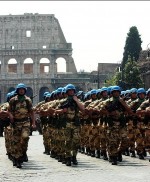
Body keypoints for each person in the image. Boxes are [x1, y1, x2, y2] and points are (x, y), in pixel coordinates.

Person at [55, 84, 85, 166]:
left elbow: (83, 109)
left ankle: (74, 156)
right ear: (67, 92)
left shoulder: (77, 101)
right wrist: (62, 111)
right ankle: (68, 157)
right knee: (67, 141)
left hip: (75, 123)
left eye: (72, 91)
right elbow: (56, 111)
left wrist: (77, 101)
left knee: (76, 141)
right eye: (69, 91)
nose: (71, 92)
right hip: (67, 123)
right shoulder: (63, 102)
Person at [8, 83, 36, 168]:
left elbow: (31, 112)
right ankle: (17, 159)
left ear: (25, 90)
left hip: (25, 123)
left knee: (25, 137)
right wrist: (11, 116)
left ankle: (23, 152)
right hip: (16, 123)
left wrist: (33, 123)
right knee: (16, 141)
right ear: (17, 90)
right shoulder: (13, 100)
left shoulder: (28, 100)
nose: (21, 90)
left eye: (23, 89)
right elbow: (9, 110)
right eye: (20, 89)